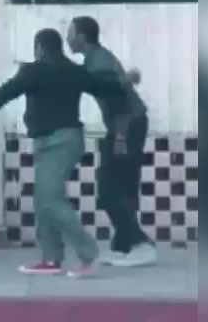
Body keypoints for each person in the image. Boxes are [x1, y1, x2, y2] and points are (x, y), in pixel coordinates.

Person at [0, 28, 130, 278]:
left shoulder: (34, 70)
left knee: (51, 199)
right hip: (67, 140)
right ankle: (51, 259)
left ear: (39, 47)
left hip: (57, 142)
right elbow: (104, 86)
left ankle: (89, 254)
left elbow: (4, 93)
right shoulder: (74, 71)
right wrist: (127, 79)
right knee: (44, 200)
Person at [67, 16, 156, 267]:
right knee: (120, 186)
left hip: (126, 125)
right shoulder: (95, 58)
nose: (67, 38)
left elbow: (120, 102)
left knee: (109, 189)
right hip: (127, 124)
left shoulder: (99, 62)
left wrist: (119, 136)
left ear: (82, 37)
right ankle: (124, 246)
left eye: (70, 33)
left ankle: (140, 245)